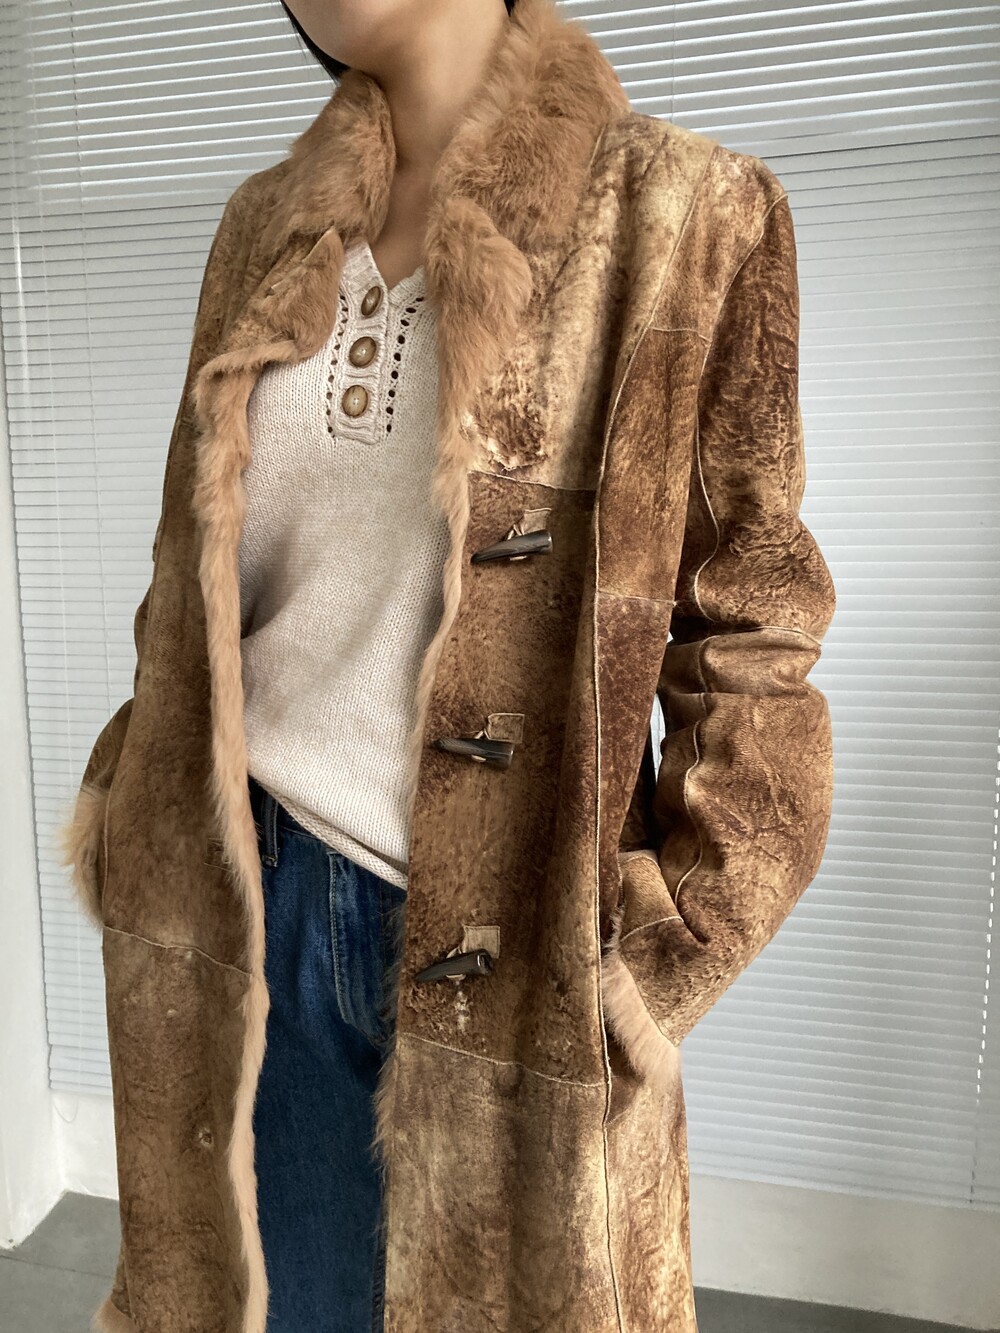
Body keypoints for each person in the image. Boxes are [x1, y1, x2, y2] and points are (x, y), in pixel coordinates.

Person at [58, 0, 837, 1328]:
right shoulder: (260, 229)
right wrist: (133, 807)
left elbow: (754, 635)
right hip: (240, 911)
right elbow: (186, 581)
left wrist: (662, 955)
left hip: (511, 963)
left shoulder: (686, 217)